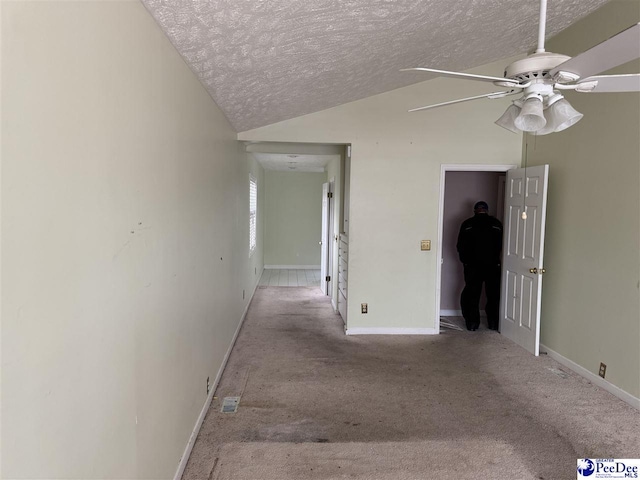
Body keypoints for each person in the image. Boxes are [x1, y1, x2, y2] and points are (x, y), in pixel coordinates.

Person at [456, 201, 503, 331]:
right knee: (493, 294)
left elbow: (460, 246)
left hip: (473, 265)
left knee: (472, 294)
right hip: (492, 265)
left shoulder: (467, 224)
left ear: (475, 210)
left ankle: (472, 324)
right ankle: (493, 323)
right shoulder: (496, 224)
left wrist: (465, 261)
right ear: (487, 210)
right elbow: (502, 245)